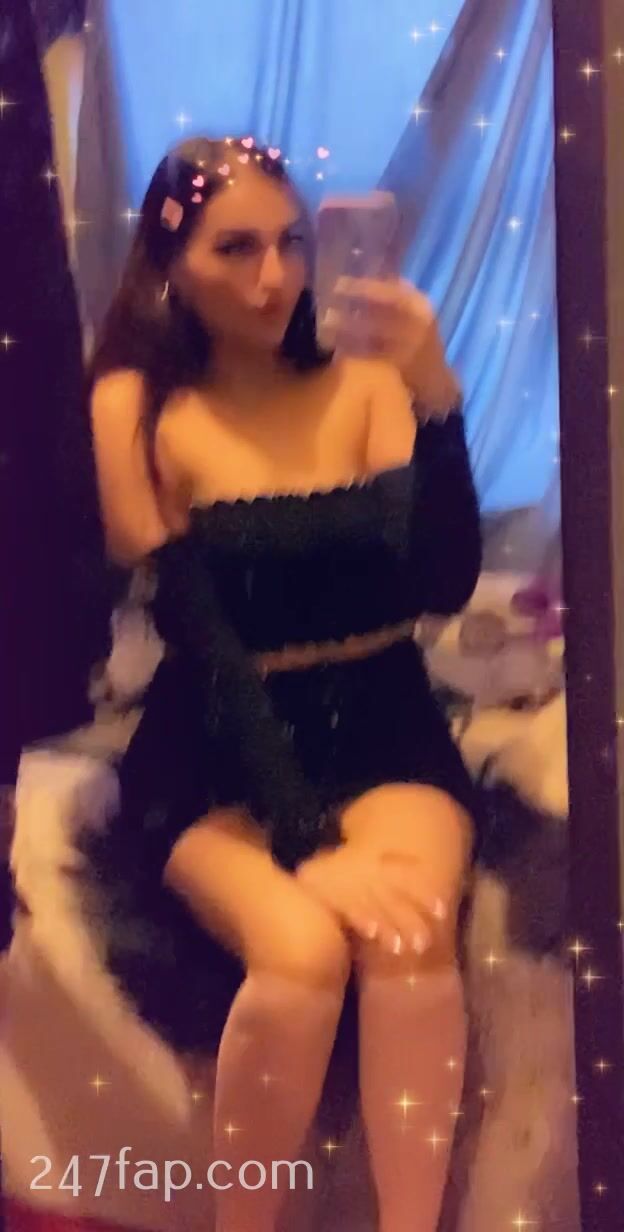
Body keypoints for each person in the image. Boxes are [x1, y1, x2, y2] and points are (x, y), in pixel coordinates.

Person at [79, 135, 481, 1232]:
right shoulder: (135, 404)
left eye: (291, 243)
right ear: (170, 263)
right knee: (300, 953)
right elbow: (200, 636)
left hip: (385, 719)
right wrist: (307, 838)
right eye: (235, 248)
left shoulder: (366, 380)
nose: (274, 277)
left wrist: (439, 397)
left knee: (408, 939)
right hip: (218, 742)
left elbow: (443, 584)